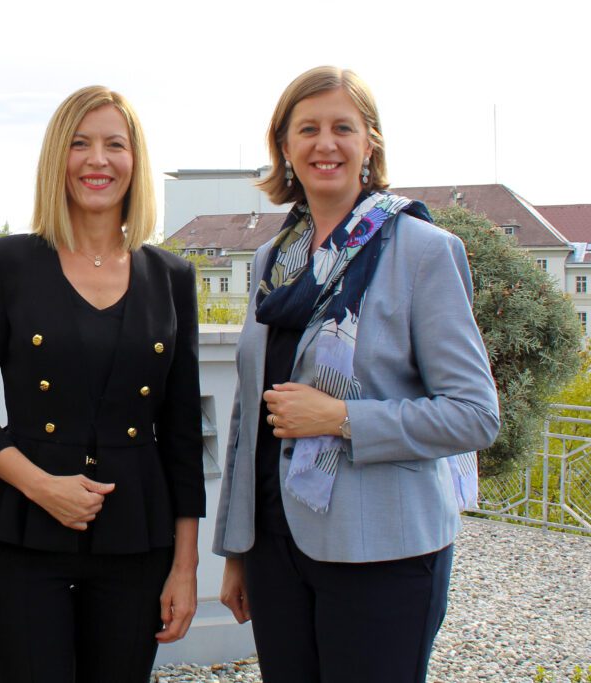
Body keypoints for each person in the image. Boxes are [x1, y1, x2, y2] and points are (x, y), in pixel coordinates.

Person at [213, 66, 500, 683]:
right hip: (276, 547)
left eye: (343, 127)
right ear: (284, 147)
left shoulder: (423, 250)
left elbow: (476, 413)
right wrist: (239, 549)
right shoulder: (275, 259)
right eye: (307, 129)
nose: (325, 144)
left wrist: (341, 418)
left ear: (370, 143)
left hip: (384, 553)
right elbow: (251, 415)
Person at [0, 85, 206, 682]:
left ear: (135, 162)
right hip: (22, 537)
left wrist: (185, 568)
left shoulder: (172, 277)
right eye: (79, 144)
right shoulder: (8, 263)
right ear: (57, 159)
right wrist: (42, 487)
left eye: (115, 144)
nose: (97, 160)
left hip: (137, 544)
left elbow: (184, 434)